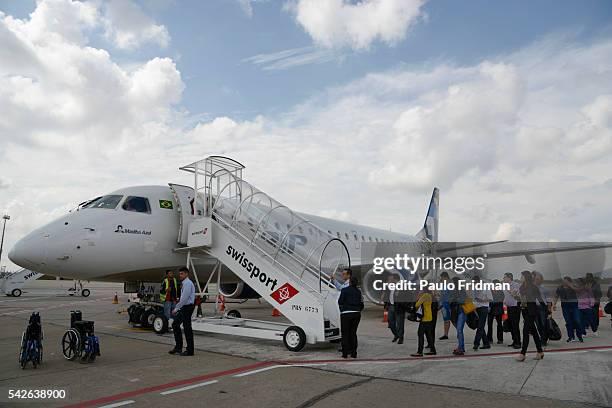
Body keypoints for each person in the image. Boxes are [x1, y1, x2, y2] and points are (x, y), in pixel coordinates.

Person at [516, 270, 545, 361]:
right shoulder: (521, 287)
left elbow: (539, 299)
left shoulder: (533, 287)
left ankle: (523, 353)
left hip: (531, 312)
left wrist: (547, 310)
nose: (520, 278)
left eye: (522, 276)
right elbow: (522, 300)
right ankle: (540, 352)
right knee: (534, 332)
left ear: (526, 277)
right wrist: (516, 297)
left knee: (525, 331)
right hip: (524, 311)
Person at [169, 267, 196, 356]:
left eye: (182, 274)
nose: (180, 275)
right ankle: (178, 347)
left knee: (187, 328)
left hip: (187, 307)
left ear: (186, 274)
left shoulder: (187, 283)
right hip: (184, 307)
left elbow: (184, 299)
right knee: (175, 324)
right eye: (179, 273)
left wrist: (176, 308)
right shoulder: (184, 283)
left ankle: (190, 350)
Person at [338, 277, 364, 358]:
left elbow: (340, 301)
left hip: (346, 313)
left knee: (345, 334)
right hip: (356, 314)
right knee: (353, 333)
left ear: (350, 283)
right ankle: (354, 353)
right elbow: (361, 302)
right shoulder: (358, 292)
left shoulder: (344, 290)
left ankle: (345, 353)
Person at [552, 277, 583, 343]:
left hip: (574, 305)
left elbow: (579, 291)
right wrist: (554, 304)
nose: (564, 283)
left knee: (577, 320)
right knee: (568, 322)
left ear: (570, 281)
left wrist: (571, 286)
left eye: (566, 281)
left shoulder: (573, 286)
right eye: (564, 281)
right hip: (565, 306)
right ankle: (571, 337)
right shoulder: (560, 287)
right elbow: (556, 296)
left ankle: (579, 336)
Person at [411, 288, 436, 357]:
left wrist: (418, 297)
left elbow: (416, 305)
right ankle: (433, 350)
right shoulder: (430, 295)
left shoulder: (424, 296)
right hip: (429, 317)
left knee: (420, 333)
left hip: (425, 318)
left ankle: (419, 351)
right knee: (428, 335)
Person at [472, 276, 492, 350]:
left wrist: (482, 300)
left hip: (484, 308)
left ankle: (476, 343)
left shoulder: (485, 287)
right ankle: (486, 343)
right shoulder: (474, 289)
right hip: (477, 309)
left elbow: (490, 299)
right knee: (480, 326)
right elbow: (474, 300)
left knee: (480, 326)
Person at [503, 272, 522, 349]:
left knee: (515, 325)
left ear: (509, 277)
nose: (503, 279)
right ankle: (514, 341)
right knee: (510, 325)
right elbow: (506, 296)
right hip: (508, 307)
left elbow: (515, 294)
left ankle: (518, 342)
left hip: (515, 307)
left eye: (504, 277)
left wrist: (508, 289)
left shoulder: (516, 285)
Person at [532, 271, 551, 346]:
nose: (537, 280)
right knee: (538, 324)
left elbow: (548, 300)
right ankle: (542, 337)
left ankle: (544, 339)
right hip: (534, 307)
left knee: (543, 324)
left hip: (543, 308)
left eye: (538, 279)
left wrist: (549, 310)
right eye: (536, 279)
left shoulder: (544, 289)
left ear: (541, 280)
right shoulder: (532, 288)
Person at [450, 277, 467, 355]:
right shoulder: (454, 290)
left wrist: (455, 299)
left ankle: (460, 348)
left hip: (461, 312)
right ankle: (461, 347)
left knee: (459, 330)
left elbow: (462, 300)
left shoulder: (462, 290)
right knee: (459, 331)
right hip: (456, 313)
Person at [382, 274, 400, 342]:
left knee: (399, 323)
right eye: (389, 279)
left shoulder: (400, 286)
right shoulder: (388, 287)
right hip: (391, 306)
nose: (390, 280)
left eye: (391, 279)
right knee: (391, 323)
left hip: (398, 306)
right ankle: (396, 334)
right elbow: (384, 295)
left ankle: (400, 336)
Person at [487, 279, 505, 345]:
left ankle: (500, 339)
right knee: (489, 324)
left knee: (499, 325)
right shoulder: (490, 291)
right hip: (490, 310)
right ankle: (489, 339)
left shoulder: (501, 292)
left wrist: (491, 304)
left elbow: (500, 300)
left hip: (498, 310)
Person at [438, 272, 452, 340]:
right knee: (446, 320)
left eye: (442, 278)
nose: (441, 279)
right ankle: (445, 334)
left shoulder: (450, 284)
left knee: (451, 319)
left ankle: (458, 331)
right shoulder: (443, 285)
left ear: (445, 277)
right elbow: (442, 294)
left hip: (448, 304)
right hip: (444, 304)